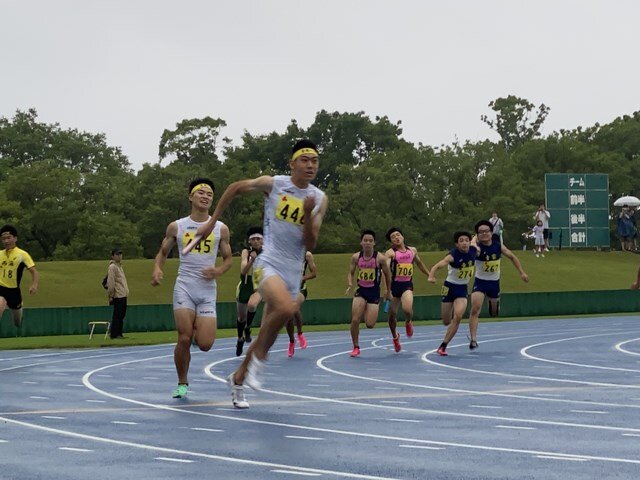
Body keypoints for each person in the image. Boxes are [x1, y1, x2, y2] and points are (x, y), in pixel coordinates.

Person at [183, 139, 328, 409]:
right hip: (269, 261)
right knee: (286, 308)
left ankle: (238, 379)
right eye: (304, 160)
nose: (310, 165)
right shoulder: (274, 184)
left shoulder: (319, 199)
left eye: (315, 161)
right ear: (292, 163)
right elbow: (235, 188)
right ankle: (260, 358)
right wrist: (212, 222)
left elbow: (310, 243)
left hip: (293, 270)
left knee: (267, 333)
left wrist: (307, 214)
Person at [151, 178, 233, 399]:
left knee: (205, 344)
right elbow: (162, 253)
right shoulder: (177, 226)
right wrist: (157, 269)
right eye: (201, 192)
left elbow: (228, 259)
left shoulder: (220, 228)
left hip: (207, 291)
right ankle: (182, 382)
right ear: (191, 197)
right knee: (184, 338)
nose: (205, 196)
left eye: (209, 194)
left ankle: (199, 328)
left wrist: (218, 271)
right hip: (185, 286)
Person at [467, 220, 529, 349]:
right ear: (477, 234)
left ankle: (494, 304)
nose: (484, 234)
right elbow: (473, 248)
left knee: (494, 313)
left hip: (494, 283)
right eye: (481, 232)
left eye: (486, 231)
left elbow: (512, 257)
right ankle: (473, 339)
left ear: (491, 232)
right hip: (480, 282)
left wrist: (522, 273)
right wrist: (473, 240)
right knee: (475, 308)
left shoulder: (498, 246)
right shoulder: (477, 248)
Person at [429, 231, 477, 356]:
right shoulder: (452, 255)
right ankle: (449, 325)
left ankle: (443, 346)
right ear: (457, 244)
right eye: (461, 241)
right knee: (446, 321)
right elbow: (437, 266)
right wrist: (431, 276)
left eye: (466, 240)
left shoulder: (474, 250)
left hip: (462, 289)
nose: (465, 243)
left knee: (458, 316)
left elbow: (476, 239)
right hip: (449, 288)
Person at [345, 230, 392, 357]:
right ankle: (356, 347)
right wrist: (350, 284)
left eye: (370, 241)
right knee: (355, 320)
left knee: (370, 324)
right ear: (361, 242)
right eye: (365, 240)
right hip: (360, 291)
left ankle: (366, 308)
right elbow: (351, 272)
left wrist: (387, 291)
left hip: (374, 292)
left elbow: (387, 275)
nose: (368, 243)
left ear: (374, 243)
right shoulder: (356, 257)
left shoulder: (380, 258)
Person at [384, 227, 430, 353]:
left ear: (403, 237)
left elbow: (419, 263)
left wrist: (429, 274)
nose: (396, 238)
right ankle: (395, 337)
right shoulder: (390, 253)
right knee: (392, 314)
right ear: (391, 241)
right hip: (394, 287)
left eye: (398, 235)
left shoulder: (412, 250)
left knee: (407, 309)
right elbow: (385, 270)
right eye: (393, 237)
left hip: (407, 286)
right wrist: (386, 290)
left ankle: (408, 321)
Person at [0, 225, 39, 330]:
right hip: (1, 288)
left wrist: (34, 285)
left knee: (17, 322)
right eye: (4, 239)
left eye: (9, 238)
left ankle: (19, 310)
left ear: (15, 238)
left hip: (13, 291)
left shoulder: (22, 254)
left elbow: (34, 272)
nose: (6, 241)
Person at [235, 226, 264, 357]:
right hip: (245, 286)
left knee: (252, 305)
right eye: (254, 239)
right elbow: (243, 271)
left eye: (259, 239)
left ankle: (248, 327)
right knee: (241, 317)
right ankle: (240, 338)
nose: (257, 241)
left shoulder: (267, 253)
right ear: (249, 242)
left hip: (258, 287)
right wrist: (252, 259)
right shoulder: (246, 252)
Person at [285, 250, 316, 357]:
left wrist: (302, 278)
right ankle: (292, 341)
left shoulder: (307, 255)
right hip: (287, 289)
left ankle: (300, 333)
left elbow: (314, 273)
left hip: (300, 289)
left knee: (293, 308)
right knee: (288, 315)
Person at [106, 248, 129, 339]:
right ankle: (114, 334)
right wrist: (111, 295)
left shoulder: (120, 266)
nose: (119, 256)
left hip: (123, 293)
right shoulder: (112, 267)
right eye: (117, 254)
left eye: (120, 254)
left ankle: (119, 333)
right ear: (113, 256)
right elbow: (111, 281)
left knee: (122, 315)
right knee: (117, 315)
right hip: (118, 294)